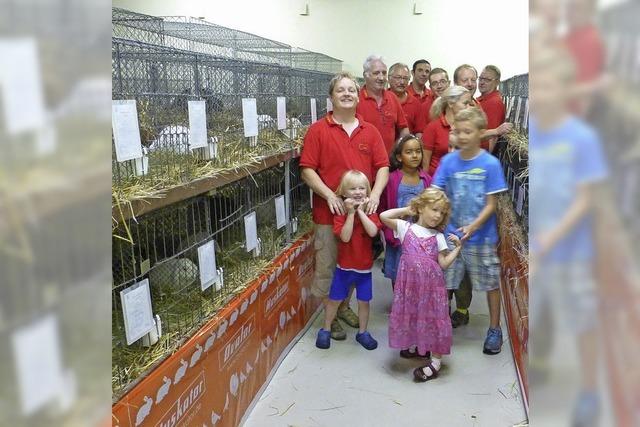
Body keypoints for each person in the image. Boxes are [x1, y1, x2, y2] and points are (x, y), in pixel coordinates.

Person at [300, 72, 389, 341]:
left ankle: (343, 308)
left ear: (357, 95)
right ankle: (330, 317)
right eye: (341, 90)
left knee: (355, 264)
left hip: (361, 217)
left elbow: (382, 166)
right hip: (329, 215)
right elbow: (307, 169)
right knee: (329, 266)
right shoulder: (318, 130)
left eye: (351, 89)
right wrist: (329, 195)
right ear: (331, 96)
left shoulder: (370, 131)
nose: (347, 94)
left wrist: (375, 193)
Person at [431, 107, 508, 355]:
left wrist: (474, 226)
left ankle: (495, 329)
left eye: (468, 131)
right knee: (445, 283)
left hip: (481, 238)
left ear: (480, 133)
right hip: (451, 236)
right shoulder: (448, 162)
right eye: (457, 131)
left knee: (490, 284)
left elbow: (491, 204)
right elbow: (437, 192)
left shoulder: (490, 163)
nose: (462, 136)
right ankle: (440, 326)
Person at [380, 188, 462, 381]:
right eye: (434, 209)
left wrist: (457, 248)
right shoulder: (405, 228)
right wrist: (407, 210)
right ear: (421, 207)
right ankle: (415, 345)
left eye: (441, 212)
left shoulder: (438, 236)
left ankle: (435, 362)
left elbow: (442, 264)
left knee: (433, 318)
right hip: (409, 288)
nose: (437, 215)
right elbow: (384, 216)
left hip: (432, 289)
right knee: (413, 313)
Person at [316, 170, 383, 350]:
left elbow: (372, 232)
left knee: (364, 301)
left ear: (368, 191)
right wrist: (351, 214)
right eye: (352, 189)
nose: (358, 192)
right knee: (334, 299)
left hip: (364, 269)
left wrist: (361, 212)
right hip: (344, 268)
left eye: (362, 188)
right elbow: (345, 237)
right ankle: (326, 329)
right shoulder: (341, 214)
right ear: (344, 193)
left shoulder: (370, 211)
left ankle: (363, 332)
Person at [379, 134, 432, 289]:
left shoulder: (426, 180)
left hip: (420, 238)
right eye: (409, 152)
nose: (415, 155)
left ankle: (413, 305)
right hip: (398, 237)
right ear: (399, 157)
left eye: (418, 151)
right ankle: (398, 305)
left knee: (418, 275)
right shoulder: (390, 180)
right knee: (397, 272)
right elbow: (382, 206)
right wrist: (385, 230)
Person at [356, 55, 410, 154]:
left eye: (384, 73)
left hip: (389, 162)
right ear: (365, 75)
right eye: (376, 73)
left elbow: (404, 129)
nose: (381, 77)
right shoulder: (356, 99)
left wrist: (397, 150)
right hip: (364, 161)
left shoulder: (392, 98)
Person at [421, 85, 473, 176]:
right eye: (465, 103)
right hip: (437, 181)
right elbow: (425, 164)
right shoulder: (433, 127)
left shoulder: (468, 127)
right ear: (451, 103)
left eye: (470, 104)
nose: (469, 107)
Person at [478, 65, 508, 153]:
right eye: (481, 78)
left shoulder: (494, 102)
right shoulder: (481, 99)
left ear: (497, 82)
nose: (482, 82)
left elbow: (493, 137)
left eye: (487, 80)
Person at [388, 63, 423, 137]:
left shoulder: (415, 103)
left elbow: (419, 132)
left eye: (405, 78)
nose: (402, 82)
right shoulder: (382, 99)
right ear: (389, 78)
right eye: (398, 78)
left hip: (407, 146)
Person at [415, 67, 450, 133]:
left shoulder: (457, 102)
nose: (439, 86)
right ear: (430, 87)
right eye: (434, 83)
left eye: (442, 81)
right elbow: (420, 133)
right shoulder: (424, 107)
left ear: (449, 83)